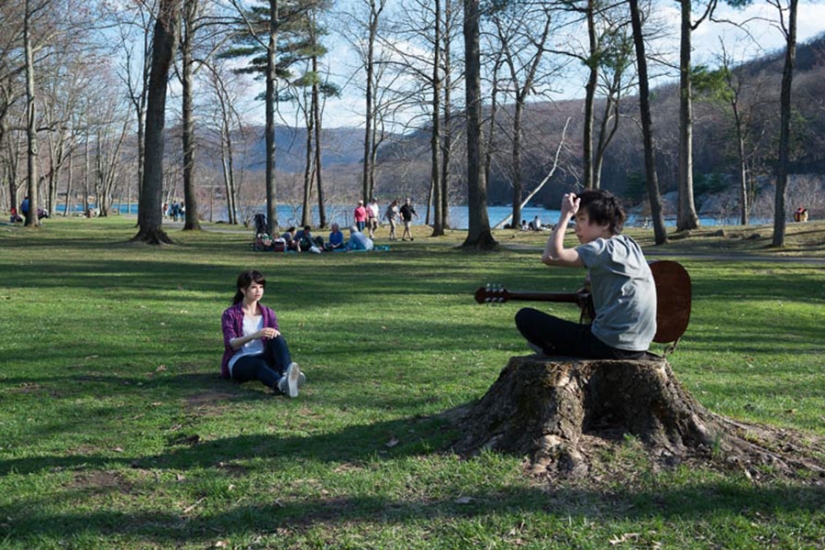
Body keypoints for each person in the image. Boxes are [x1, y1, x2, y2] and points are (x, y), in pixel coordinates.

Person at [514, 189, 656, 360]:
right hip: (638, 345)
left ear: (605, 223)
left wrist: (565, 215)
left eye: (581, 219)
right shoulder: (630, 245)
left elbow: (550, 256)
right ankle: (558, 349)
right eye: (575, 219)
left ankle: (557, 351)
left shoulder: (603, 248)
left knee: (525, 317)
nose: (576, 227)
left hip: (609, 344)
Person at [220, 270, 305, 397]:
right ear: (243, 290)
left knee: (277, 337)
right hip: (240, 360)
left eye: (261, 287)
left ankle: (286, 375)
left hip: (263, 355)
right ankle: (280, 384)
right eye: (253, 287)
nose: (258, 291)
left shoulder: (268, 313)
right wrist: (254, 335)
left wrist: (274, 334)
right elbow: (231, 343)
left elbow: (276, 339)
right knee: (258, 365)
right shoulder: (230, 314)